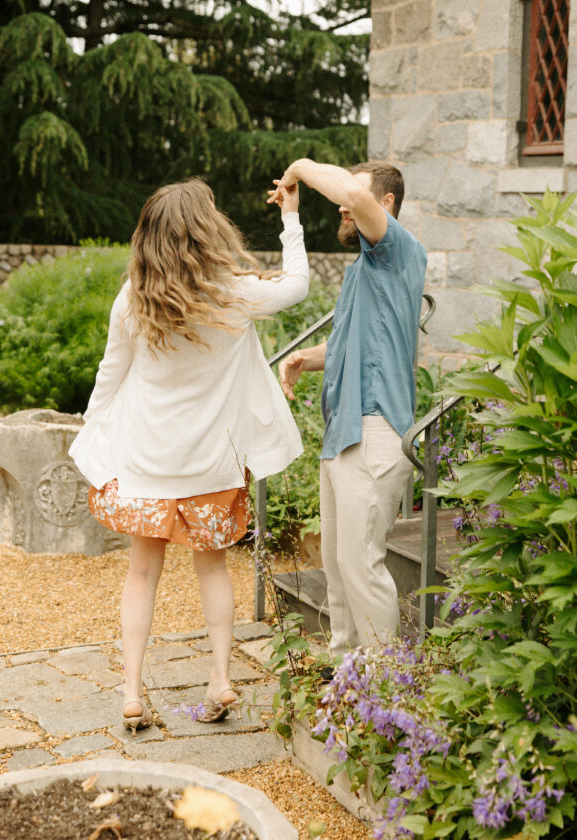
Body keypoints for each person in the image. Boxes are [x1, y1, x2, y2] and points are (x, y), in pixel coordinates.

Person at [69, 178, 308, 731]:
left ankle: (131, 693)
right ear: (207, 231)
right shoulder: (232, 293)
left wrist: (91, 428)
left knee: (141, 572)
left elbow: (111, 373)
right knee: (214, 565)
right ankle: (221, 679)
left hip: (146, 461)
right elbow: (297, 285)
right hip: (210, 462)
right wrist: (290, 216)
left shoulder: (134, 296)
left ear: (150, 235)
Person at [268, 159, 427, 656]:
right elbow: (353, 343)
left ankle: (384, 691)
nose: (342, 203)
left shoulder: (399, 252)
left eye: (354, 196)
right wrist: (305, 359)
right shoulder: (361, 270)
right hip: (342, 432)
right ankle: (346, 682)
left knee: (361, 564)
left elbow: (351, 197)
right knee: (338, 568)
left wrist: (299, 167)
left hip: (376, 429)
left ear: (386, 206)